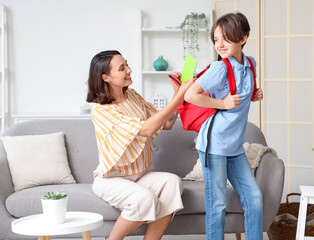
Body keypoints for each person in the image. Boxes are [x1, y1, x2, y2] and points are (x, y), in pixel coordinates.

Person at [86, 50, 194, 240]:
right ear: (106, 77)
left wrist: (177, 94)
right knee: (145, 199)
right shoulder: (102, 112)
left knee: (173, 183)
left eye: (127, 64)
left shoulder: (133, 96)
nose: (129, 70)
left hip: (140, 175)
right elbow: (146, 130)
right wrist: (179, 96)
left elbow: (166, 124)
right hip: (111, 180)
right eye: (122, 68)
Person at [184, 12, 264, 240]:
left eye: (226, 38)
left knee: (254, 198)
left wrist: (253, 94)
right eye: (216, 39)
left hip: (234, 146)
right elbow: (191, 94)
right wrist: (222, 103)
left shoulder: (250, 64)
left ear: (243, 38)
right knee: (217, 204)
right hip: (214, 144)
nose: (219, 44)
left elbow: (241, 92)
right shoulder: (219, 68)